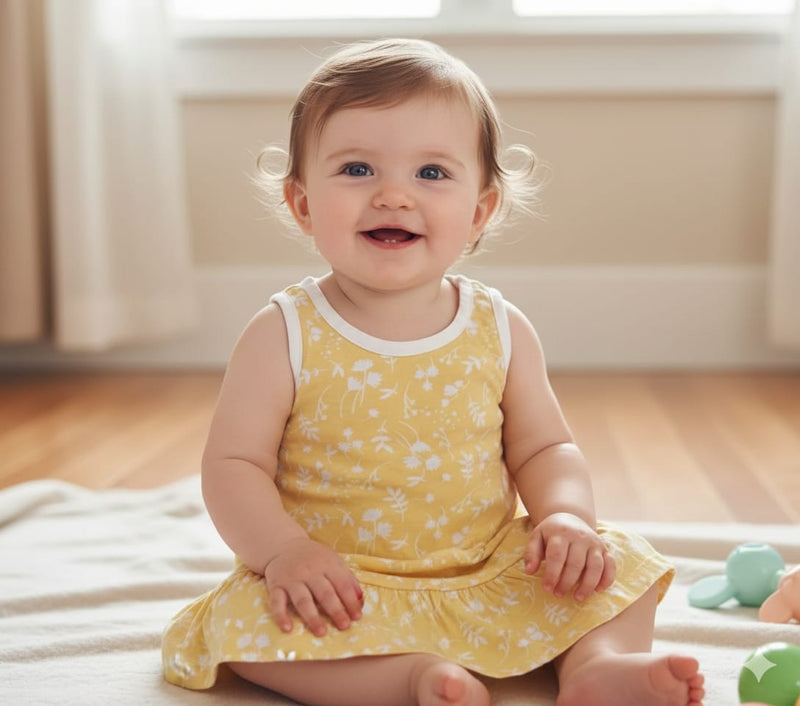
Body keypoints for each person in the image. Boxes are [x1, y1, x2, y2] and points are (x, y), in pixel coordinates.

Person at [162, 38, 705, 706]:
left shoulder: (498, 327)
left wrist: (567, 517)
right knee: (246, 623)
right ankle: (412, 680)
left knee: (618, 562)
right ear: (302, 204)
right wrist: (282, 554)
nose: (393, 195)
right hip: (343, 584)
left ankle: (596, 668)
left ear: (480, 210)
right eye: (357, 169)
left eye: (432, 174)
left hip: (485, 569)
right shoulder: (283, 333)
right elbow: (233, 465)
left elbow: (545, 446)